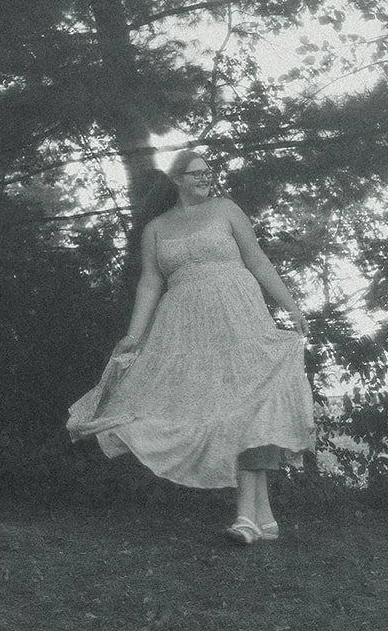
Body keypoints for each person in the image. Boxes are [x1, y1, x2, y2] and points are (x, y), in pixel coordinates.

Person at [67, 148, 314, 545]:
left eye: (208, 172)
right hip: (184, 330)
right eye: (196, 174)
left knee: (251, 404)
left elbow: (258, 260)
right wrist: (134, 335)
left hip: (239, 316)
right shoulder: (156, 229)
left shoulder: (227, 210)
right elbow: (150, 283)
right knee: (213, 409)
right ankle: (262, 515)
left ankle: (247, 518)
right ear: (178, 180)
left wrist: (291, 306)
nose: (205, 179)